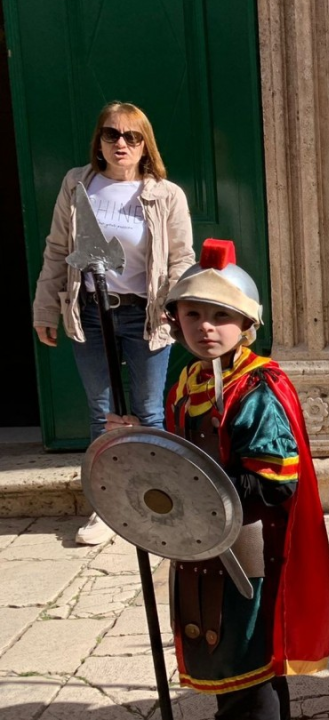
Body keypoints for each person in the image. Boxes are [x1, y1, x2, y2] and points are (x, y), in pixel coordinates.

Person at [110, 239, 329, 718]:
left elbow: (276, 482)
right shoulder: (189, 380)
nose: (205, 327)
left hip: (245, 549)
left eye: (220, 315)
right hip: (198, 544)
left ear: (247, 325)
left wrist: (198, 491)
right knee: (224, 660)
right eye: (192, 315)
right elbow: (184, 453)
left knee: (247, 661)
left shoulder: (258, 387)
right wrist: (141, 439)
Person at [30, 101, 194, 546]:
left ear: (145, 145)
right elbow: (57, 248)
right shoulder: (78, 184)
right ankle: (108, 508)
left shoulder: (165, 194)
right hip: (90, 311)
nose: (121, 143)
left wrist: (173, 305)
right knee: (103, 414)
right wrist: (45, 308)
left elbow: (181, 258)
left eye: (132, 136)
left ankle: (161, 505)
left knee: (149, 412)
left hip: (145, 313)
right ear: (98, 141)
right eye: (111, 134)